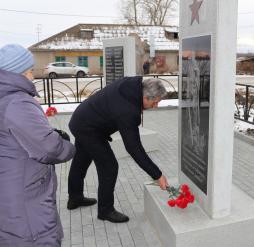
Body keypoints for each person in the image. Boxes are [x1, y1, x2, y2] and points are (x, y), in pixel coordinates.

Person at [0, 44, 76, 246]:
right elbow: (49, 148)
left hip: (9, 188)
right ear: (19, 72)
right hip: (24, 198)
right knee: (36, 238)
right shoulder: (17, 102)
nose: (33, 77)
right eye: (31, 71)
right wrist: (68, 146)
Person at [67, 76, 169, 223]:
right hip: (89, 129)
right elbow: (133, 148)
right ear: (145, 97)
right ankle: (105, 211)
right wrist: (157, 174)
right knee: (109, 166)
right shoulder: (128, 110)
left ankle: (75, 198)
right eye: (155, 102)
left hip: (81, 119)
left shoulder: (132, 84)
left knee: (81, 160)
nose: (156, 106)